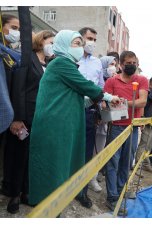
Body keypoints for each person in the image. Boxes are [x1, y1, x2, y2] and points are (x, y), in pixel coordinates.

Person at [28, 30, 119, 206]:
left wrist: (88, 101)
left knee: (59, 166)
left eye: (80, 44)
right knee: (51, 167)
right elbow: (85, 85)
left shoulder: (63, 64)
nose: (80, 47)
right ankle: (47, 208)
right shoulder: (62, 63)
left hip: (60, 124)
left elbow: (73, 94)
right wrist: (108, 97)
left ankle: (54, 205)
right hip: (53, 125)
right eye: (76, 43)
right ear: (63, 44)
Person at [3, 30, 54, 214]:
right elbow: (19, 88)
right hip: (25, 117)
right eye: (51, 41)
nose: (53, 45)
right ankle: (14, 194)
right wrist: (17, 118)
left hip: (40, 118)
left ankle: (27, 192)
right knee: (20, 156)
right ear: (41, 41)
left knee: (32, 158)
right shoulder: (28, 59)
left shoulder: (47, 64)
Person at [104, 50, 148, 216]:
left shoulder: (141, 80)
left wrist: (122, 102)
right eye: (128, 63)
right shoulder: (111, 81)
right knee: (113, 162)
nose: (132, 66)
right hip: (115, 126)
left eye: (134, 63)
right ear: (121, 65)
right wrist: (110, 105)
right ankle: (112, 196)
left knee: (126, 161)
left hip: (132, 127)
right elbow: (105, 102)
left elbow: (142, 101)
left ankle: (122, 189)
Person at [77, 27, 104, 208]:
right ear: (80, 38)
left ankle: (82, 192)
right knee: (69, 150)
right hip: (71, 110)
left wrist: (100, 110)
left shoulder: (97, 63)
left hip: (90, 113)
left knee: (87, 152)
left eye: (94, 39)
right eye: (89, 38)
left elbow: (100, 87)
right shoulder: (70, 58)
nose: (91, 42)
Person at [135, 76, 152, 172]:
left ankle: (146, 164)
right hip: (147, 122)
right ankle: (138, 165)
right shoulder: (149, 92)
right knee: (144, 144)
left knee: (149, 145)